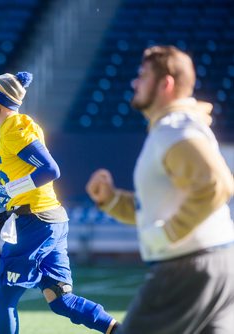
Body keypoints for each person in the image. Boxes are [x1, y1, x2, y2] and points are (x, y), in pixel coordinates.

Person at [86, 45, 234, 334]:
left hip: (187, 268)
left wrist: (169, 234)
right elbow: (155, 208)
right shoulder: (172, 128)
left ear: (166, 83)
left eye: (143, 75)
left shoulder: (174, 129)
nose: (135, 83)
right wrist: (112, 200)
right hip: (218, 263)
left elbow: (217, 184)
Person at [0, 71, 118, 334]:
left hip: (36, 221)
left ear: (1, 99)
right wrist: (9, 206)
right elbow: (33, 177)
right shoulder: (16, 126)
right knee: (61, 300)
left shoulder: (13, 129)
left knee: (3, 298)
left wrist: (10, 190)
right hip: (48, 218)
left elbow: (50, 170)